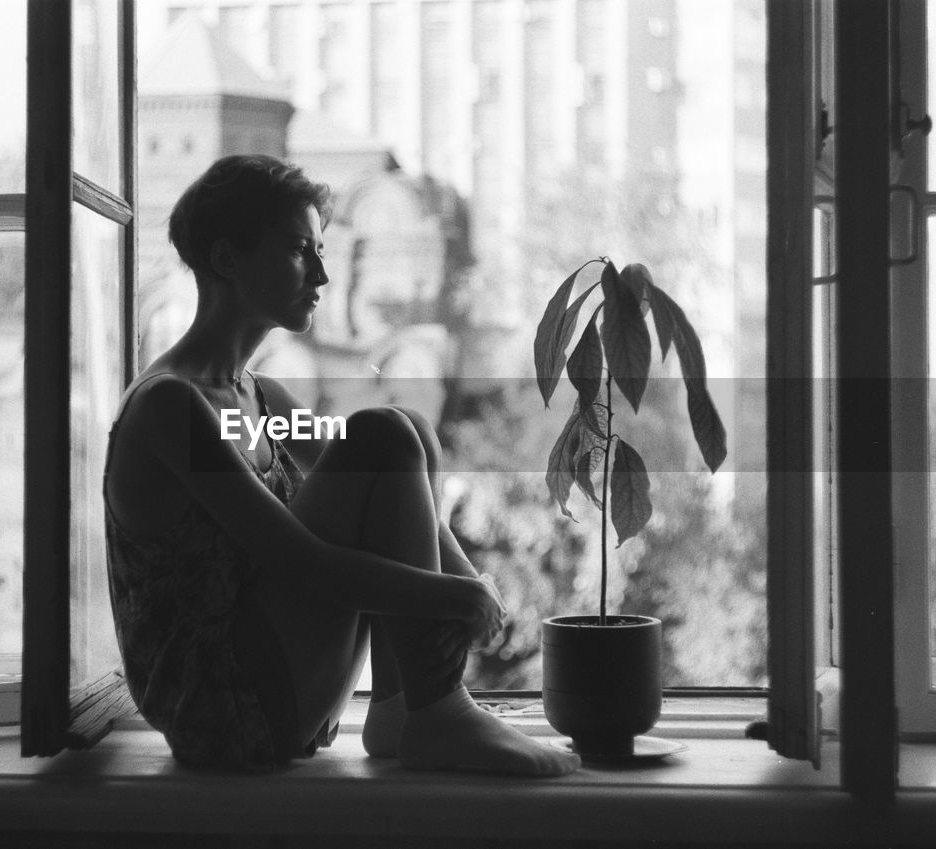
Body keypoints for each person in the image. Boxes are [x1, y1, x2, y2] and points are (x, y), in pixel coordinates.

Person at [103, 154, 580, 776]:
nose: (323, 274)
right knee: (382, 432)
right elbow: (301, 563)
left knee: (406, 431)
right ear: (226, 260)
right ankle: (439, 714)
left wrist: (471, 587)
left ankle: (406, 708)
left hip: (275, 677)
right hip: (220, 710)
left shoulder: (262, 400)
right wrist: (451, 597)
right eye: (301, 250)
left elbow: (395, 482)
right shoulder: (169, 406)